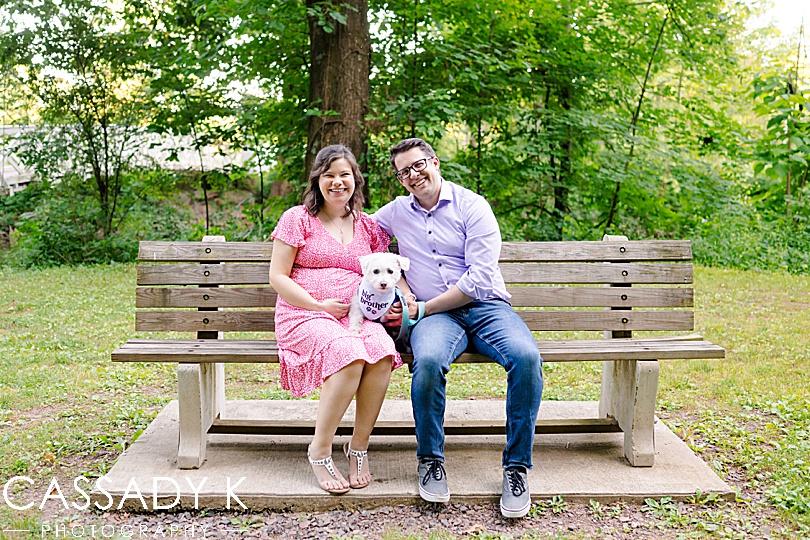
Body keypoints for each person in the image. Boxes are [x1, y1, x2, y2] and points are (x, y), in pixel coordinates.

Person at [374, 138, 544, 518]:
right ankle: (430, 461)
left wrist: (421, 307)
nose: (413, 175)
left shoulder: (472, 205)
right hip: (436, 319)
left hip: (484, 307)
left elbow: (480, 278)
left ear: (434, 162)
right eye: (404, 172)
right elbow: (361, 233)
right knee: (429, 359)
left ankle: (516, 468)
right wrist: (401, 288)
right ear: (400, 180)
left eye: (419, 165)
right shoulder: (396, 212)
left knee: (526, 357)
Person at [268, 144, 406, 495]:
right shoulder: (298, 218)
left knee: (379, 352)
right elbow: (278, 277)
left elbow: (391, 268)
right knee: (348, 353)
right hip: (304, 314)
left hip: (357, 317)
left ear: (355, 180)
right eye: (329, 175)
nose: (337, 182)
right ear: (317, 180)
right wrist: (318, 306)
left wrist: (399, 301)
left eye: (344, 174)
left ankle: (358, 446)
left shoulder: (368, 225)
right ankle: (320, 449)